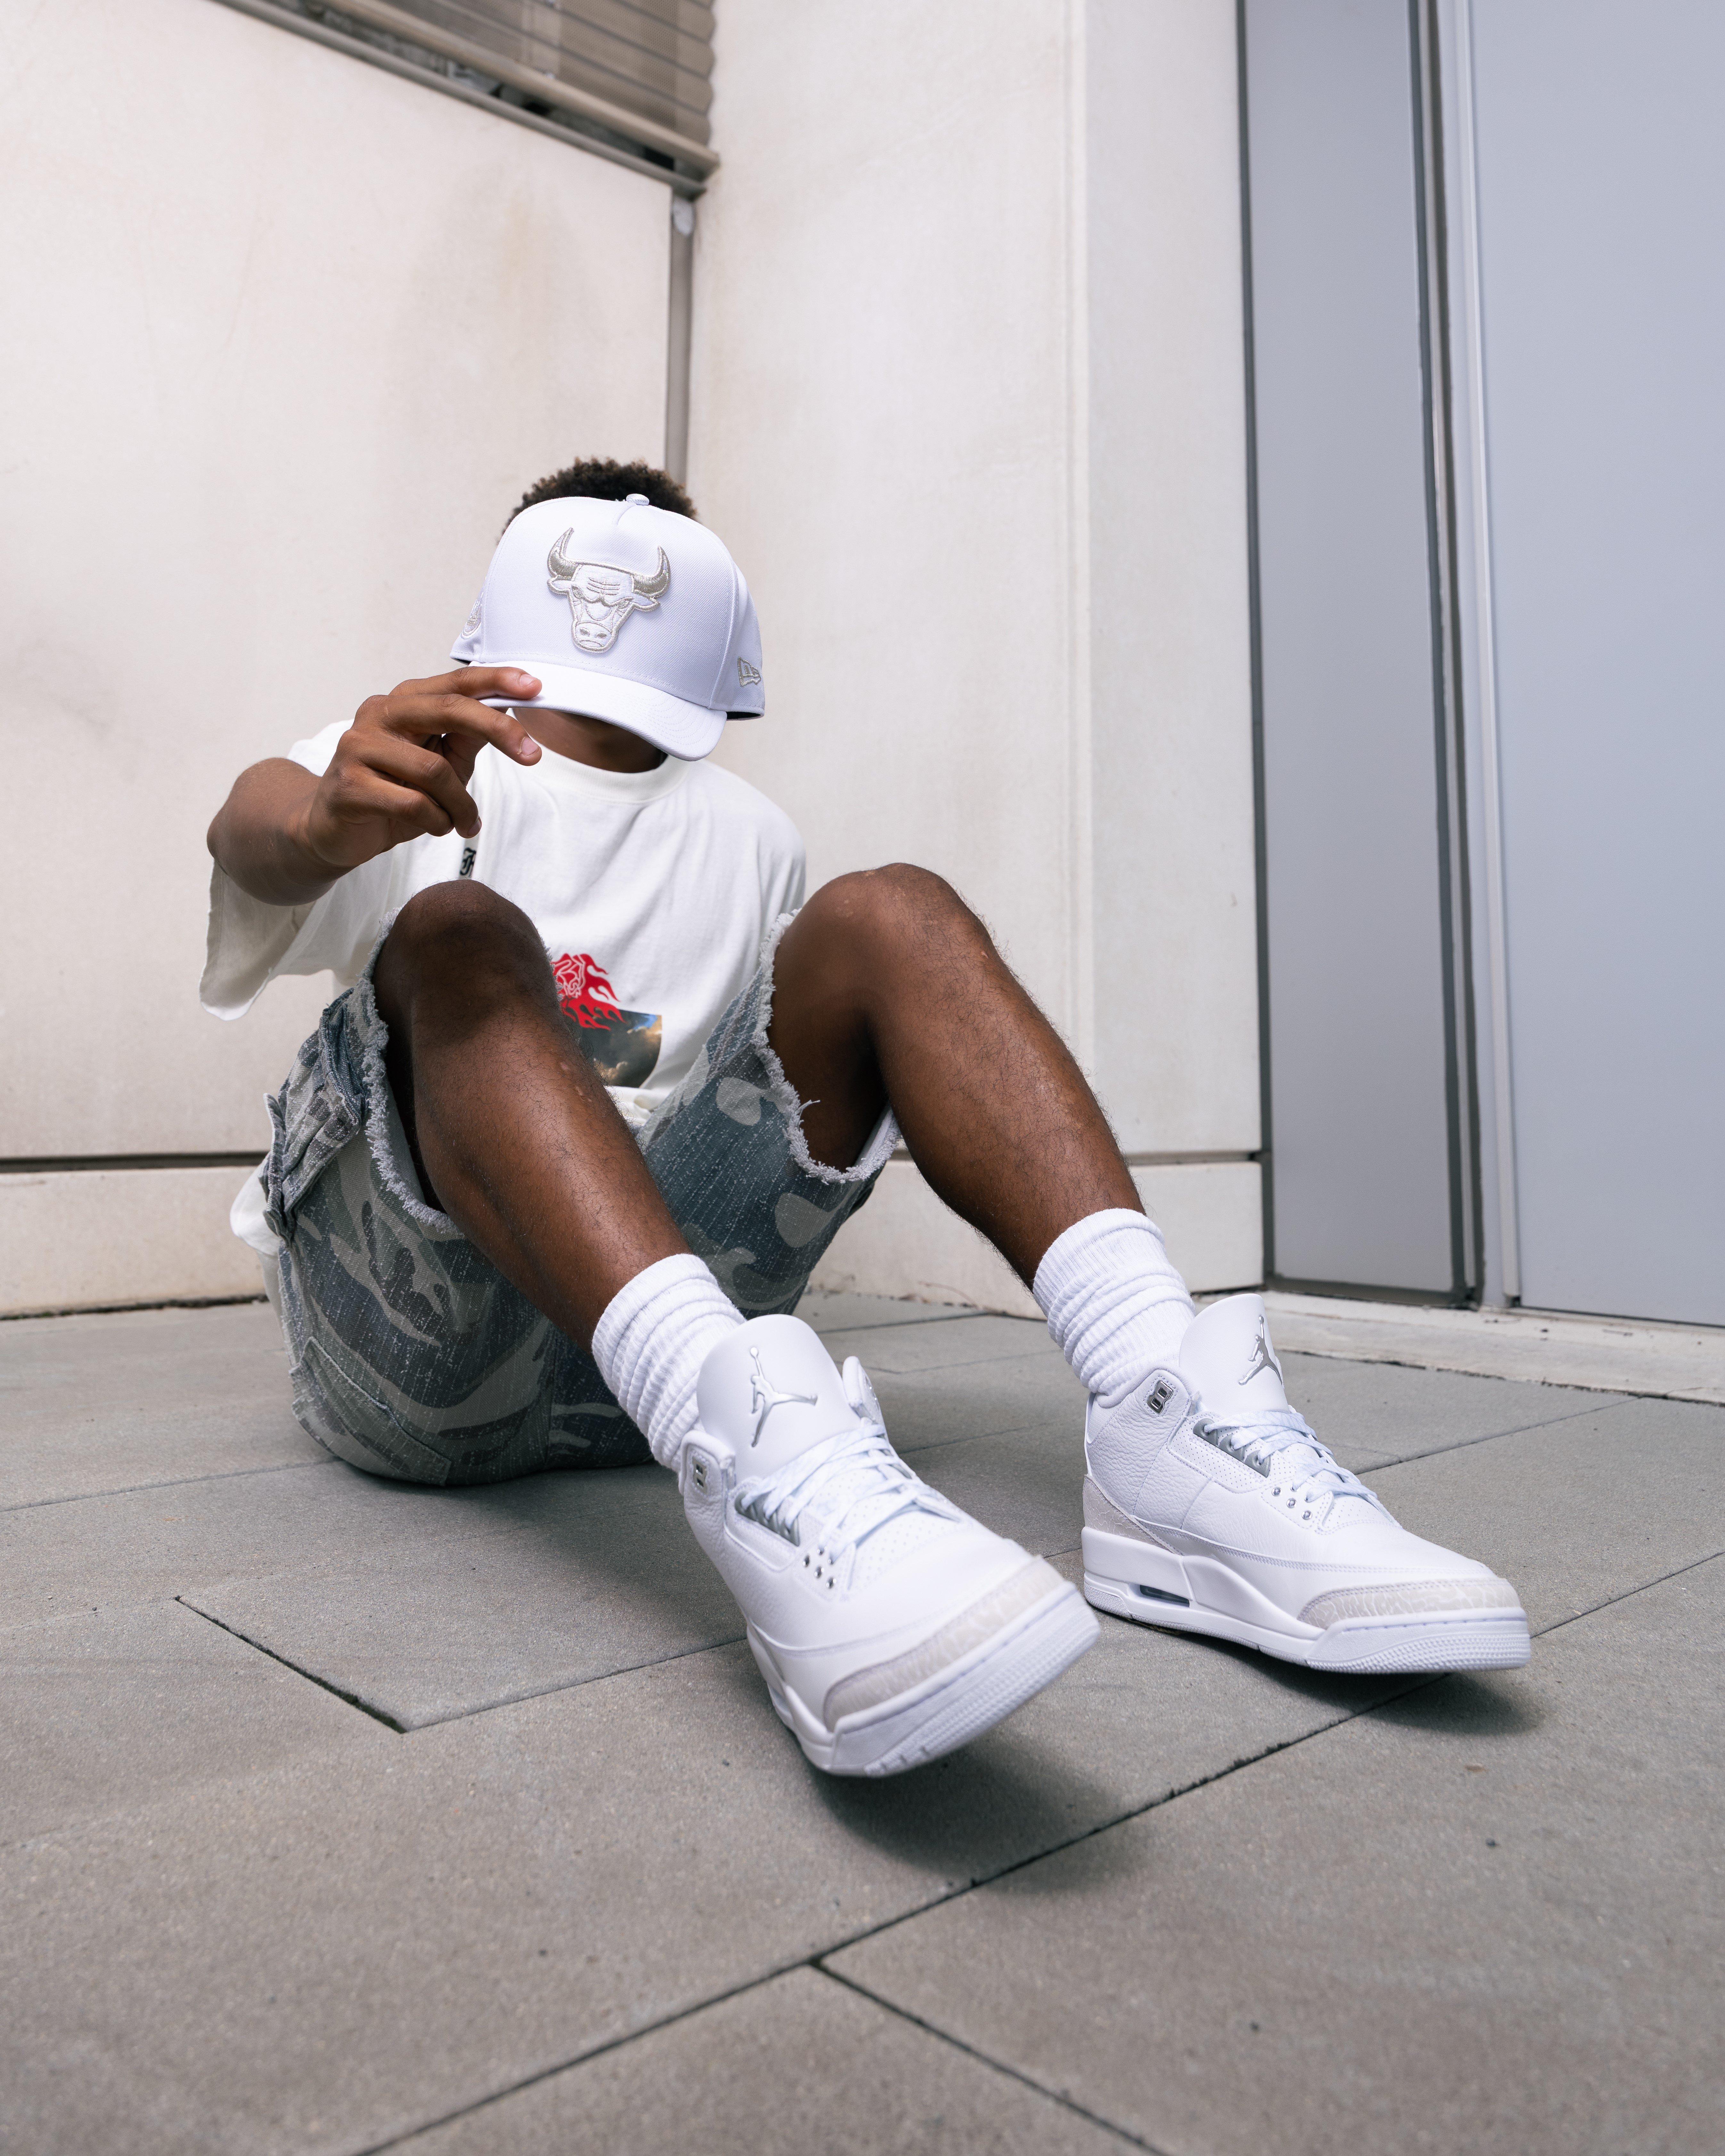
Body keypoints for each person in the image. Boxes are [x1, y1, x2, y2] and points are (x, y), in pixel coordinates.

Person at [204, 458, 1530, 1781]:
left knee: (894, 910)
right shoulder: (402, 767)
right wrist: (320, 820)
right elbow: (247, 828)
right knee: (459, 931)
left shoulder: (751, 835)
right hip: (415, 1364)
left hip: (640, 1392)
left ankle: (1167, 1418)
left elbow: (760, 1090)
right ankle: (759, 1447)